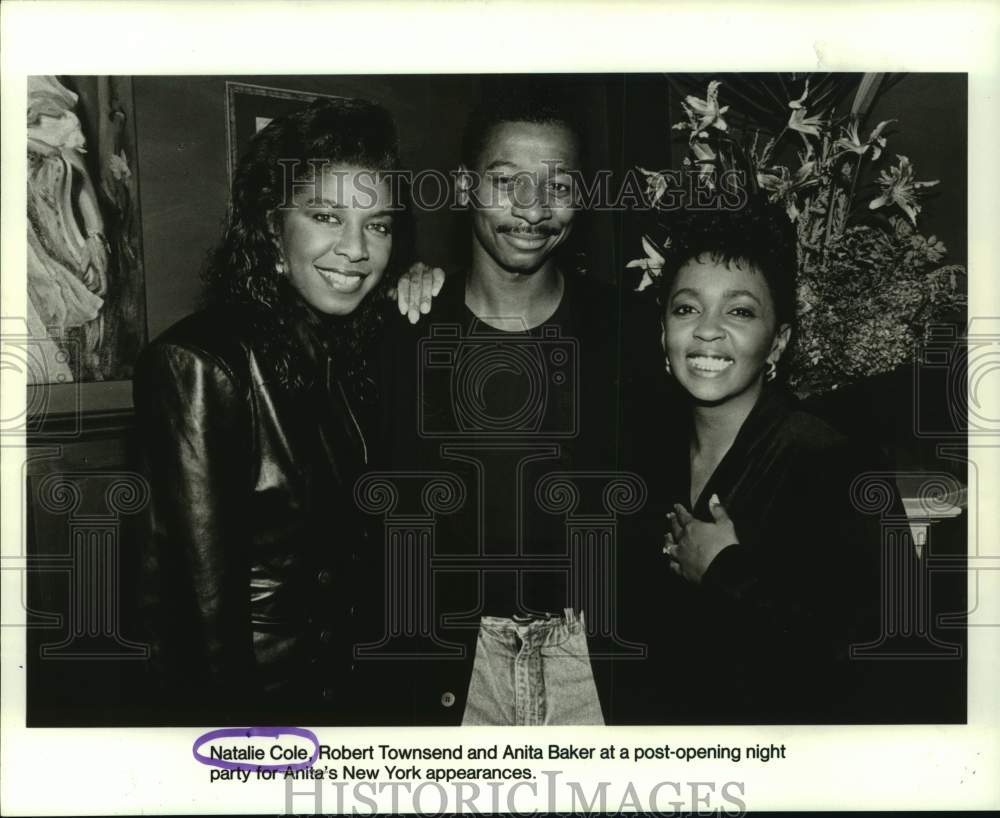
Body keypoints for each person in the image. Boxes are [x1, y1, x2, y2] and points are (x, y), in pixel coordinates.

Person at [133, 97, 441, 725]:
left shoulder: (352, 350)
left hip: (353, 705)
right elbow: (199, 619)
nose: (356, 250)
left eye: (378, 225)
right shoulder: (201, 363)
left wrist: (436, 285)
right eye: (326, 216)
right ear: (272, 229)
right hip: (265, 716)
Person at [377, 82, 668, 725]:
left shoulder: (629, 331)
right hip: (455, 668)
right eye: (506, 182)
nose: (533, 210)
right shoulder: (405, 328)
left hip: (592, 666)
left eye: (559, 186)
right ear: (462, 188)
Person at [628, 201, 909, 723]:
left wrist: (725, 573)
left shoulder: (832, 461)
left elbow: (887, 659)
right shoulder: (643, 456)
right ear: (662, 335)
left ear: (777, 342)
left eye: (739, 311)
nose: (708, 330)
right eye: (686, 308)